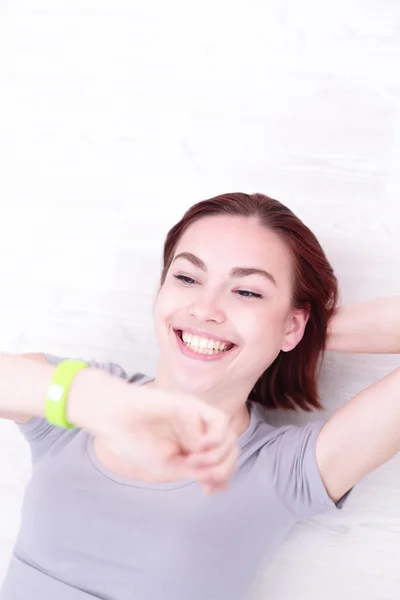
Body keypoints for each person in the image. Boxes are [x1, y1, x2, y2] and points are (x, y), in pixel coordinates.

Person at [0, 191, 399, 600]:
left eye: (247, 292)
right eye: (187, 278)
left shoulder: (284, 470)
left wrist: (301, 330)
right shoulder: (75, 400)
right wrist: (95, 402)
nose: (205, 308)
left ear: (292, 325)